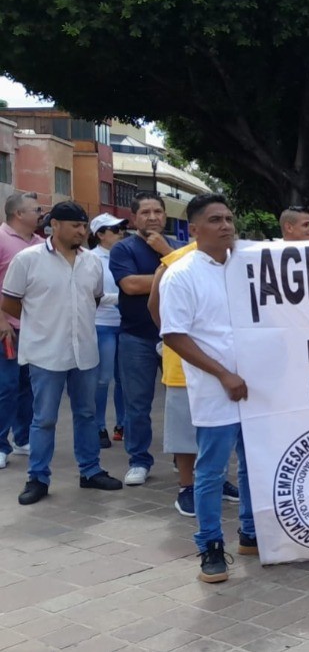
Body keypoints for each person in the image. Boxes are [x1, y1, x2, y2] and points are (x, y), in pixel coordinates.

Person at [159, 194, 256, 583]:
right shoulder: (182, 275)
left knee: (253, 465)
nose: (226, 226)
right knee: (212, 471)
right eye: (216, 220)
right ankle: (210, 545)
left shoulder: (245, 265)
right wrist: (223, 375)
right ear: (194, 230)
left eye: (230, 218)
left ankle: (249, 532)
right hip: (215, 388)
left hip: (254, 386)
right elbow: (174, 335)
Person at [1, 202, 125, 504]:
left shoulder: (91, 262)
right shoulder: (28, 260)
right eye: (75, 226)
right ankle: (38, 478)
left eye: (84, 226)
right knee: (43, 418)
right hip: (46, 352)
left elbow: (92, 299)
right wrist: (40, 322)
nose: (82, 232)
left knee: (86, 413)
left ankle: (91, 471)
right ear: (55, 225)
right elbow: (10, 302)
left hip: (84, 350)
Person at [109, 191, 184, 484]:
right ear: (134, 217)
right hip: (136, 337)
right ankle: (139, 460)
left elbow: (195, 282)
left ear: (165, 215)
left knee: (181, 401)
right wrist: (176, 272)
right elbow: (129, 285)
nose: (152, 217)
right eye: (146, 212)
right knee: (137, 404)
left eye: (158, 212)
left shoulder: (177, 246)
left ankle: (184, 457)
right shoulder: (123, 249)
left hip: (177, 339)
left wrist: (168, 252)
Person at [0, 192, 42, 468]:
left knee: (29, 386)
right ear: (19, 214)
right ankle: (1, 444)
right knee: (7, 386)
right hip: (8, 329)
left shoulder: (40, 243)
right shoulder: (1, 239)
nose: (40, 213)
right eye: (35, 209)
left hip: (35, 329)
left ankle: (23, 438)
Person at [89, 213, 128, 449]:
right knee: (103, 379)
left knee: (124, 379)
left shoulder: (125, 255)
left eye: (120, 228)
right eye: (114, 230)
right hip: (102, 324)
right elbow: (94, 296)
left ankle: (122, 424)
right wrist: (125, 296)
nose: (120, 233)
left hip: (125, 323)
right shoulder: (91, 259)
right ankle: (98, 426)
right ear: (100, 235)